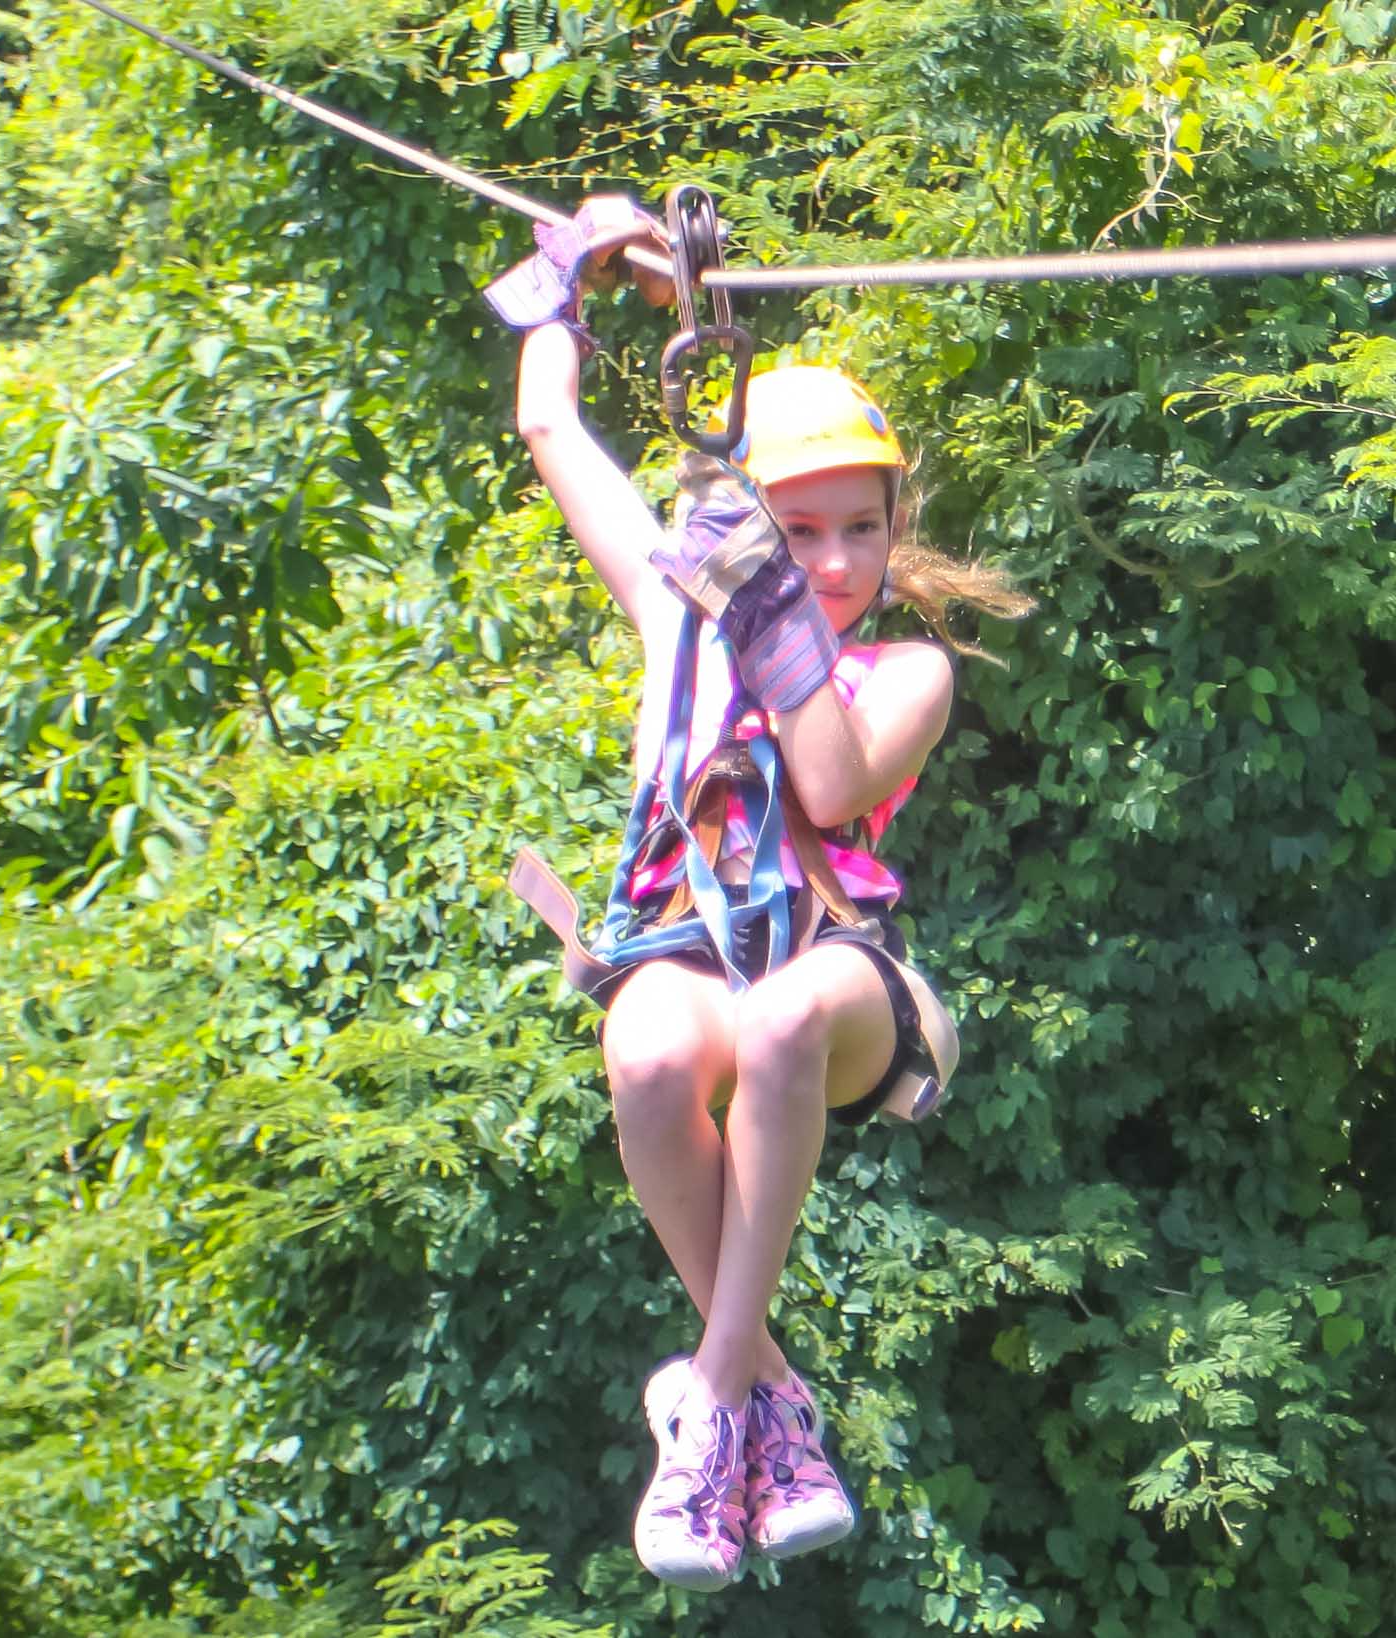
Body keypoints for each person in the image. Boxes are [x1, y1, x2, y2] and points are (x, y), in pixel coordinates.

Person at [480, 194, 1025, 1589]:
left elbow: (832, 787)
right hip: (683, 944)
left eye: (859, 530)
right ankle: (770, 1407)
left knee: (781, 1019)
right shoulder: (680, 609)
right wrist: (571, 270)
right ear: (751, 520)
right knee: (647, 1044)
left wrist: (770, 607)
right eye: (803, 531)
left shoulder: (906, 670)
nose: (837, 564)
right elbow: (551, 425)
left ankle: (712, 1398)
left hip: (838, 967)